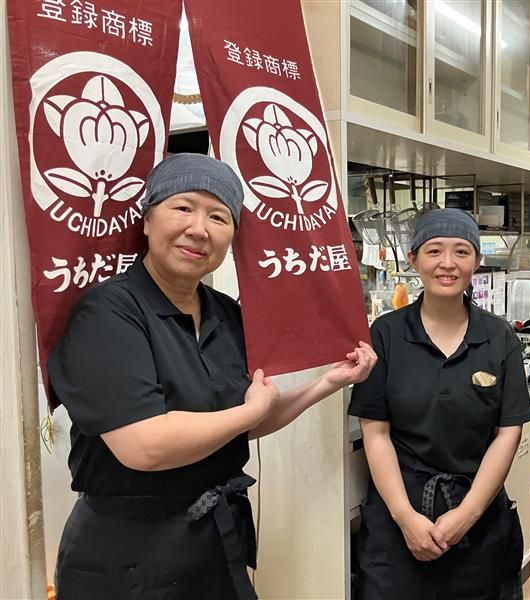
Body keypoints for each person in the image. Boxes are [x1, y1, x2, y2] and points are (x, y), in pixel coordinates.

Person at [48, 153, 377, 600]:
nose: (199, 229)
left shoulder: (226, 314)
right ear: (147, 220)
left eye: (218, 217)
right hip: (125, 554)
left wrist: (327, 383)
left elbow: (243, 421)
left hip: (213, 541)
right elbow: (144, 445)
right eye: (183, 207)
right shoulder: (109, 312)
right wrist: (248, 414)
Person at [348, 208, 530, 600]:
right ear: (414, 259)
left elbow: (508, 432)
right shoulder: (386, 334)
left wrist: (467, 514)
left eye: (461, 252)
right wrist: (405, 518)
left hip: (478, 513)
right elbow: (375, 432)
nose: (447, 263)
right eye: (434, 251)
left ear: (476, 261)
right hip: (400, 516)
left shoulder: (498, 337)